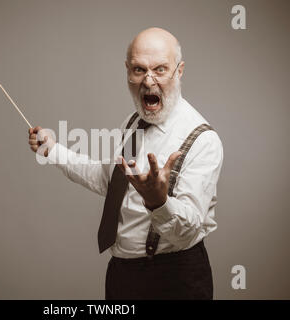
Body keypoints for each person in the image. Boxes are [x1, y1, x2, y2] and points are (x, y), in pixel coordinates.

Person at [27, 27, 223, 300]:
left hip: (175, 279)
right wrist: (53, 150)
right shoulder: (133, 124)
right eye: (139, 70)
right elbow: (110, 181)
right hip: (123, 275)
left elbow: (187, 231)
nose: (148, 81)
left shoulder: (203, 140)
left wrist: (159, 202)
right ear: (127, 70)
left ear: (179, 71)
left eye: (160, 69)